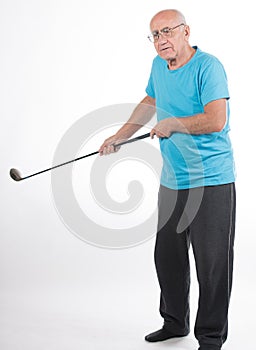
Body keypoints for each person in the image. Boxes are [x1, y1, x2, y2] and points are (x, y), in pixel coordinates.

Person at [99, 9, 236, 350]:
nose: (161, 40)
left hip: (212, 179)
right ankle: (174, 323)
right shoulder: (159, 66)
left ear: (186, 31)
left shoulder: (208, 67)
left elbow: (216, 120)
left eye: (167, 32)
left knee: (213, 263)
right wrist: (119, 136)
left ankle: (210, 337)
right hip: (174, 180)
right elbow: (151, 100)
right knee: (168, 256)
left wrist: (174, 123)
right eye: (155, 35)